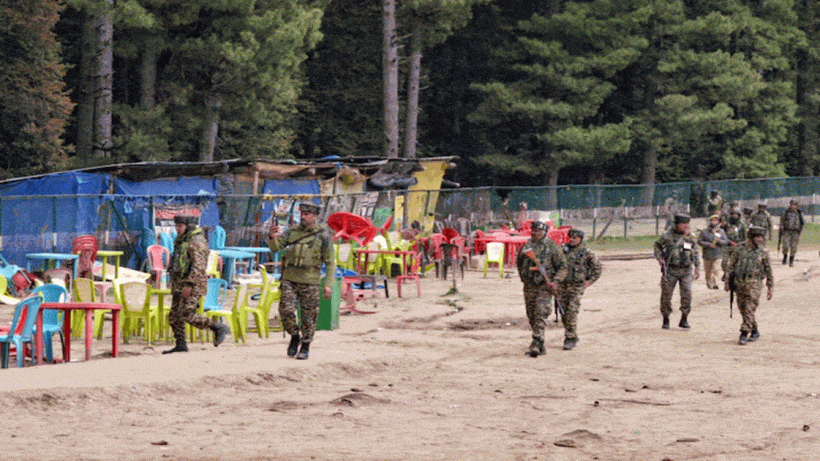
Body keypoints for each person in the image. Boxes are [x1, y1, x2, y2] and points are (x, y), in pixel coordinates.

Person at [267, 202, 334, 360]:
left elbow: (330, 262)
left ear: (315, 216)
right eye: (302, 213)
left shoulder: (323, 235)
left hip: (310, 280)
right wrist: (272, 237)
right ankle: (294, 335)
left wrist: (328, 284)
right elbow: (276, 248)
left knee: (309, 315)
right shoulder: (293, 232)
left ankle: (305, 344)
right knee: (286, 310)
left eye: (307, 214)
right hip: (290, 278)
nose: (303, 217)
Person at [163, 214, 231, 354]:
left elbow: (198, 266)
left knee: (187, 313)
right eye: (176, 226)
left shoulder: (196, 241)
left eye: (180, 226)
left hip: (193, 284)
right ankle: (181, 344)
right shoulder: (182, 240)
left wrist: (189, 284)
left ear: (188, 226)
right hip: (179, 283)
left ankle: (216, 327)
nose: (177, 229)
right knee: (174, 316)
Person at [516, 220, 567, 357]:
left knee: (541, 312)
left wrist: (555, 281)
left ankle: (536, 342)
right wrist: (524, 277)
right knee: (531, 314)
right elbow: (520, 262)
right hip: (529, 285)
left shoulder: (552, 246)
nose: (534, 233)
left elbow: (562, 266)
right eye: (532, 230)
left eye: (537, 231)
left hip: (545, 286)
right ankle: (541, 343)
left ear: (544, 232)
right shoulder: (527, 246)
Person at [724, 226, 773, 345]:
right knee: (743, 309)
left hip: (754, 284)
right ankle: (755, 330)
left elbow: (768, 270)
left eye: (762, 237)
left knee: (749, 308)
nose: (761, 240)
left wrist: (770, 287)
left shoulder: (763, 252)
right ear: (751, 237)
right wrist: (727, 282)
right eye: (758, 237)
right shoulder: (739, 249)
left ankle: (744, 333)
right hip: (739, 283)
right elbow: (731, 266)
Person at [556, 229, 601, 350]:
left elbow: (597, 268)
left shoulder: (586, 252)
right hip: (562, 285)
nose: (571, 239)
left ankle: (570, 337)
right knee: (563, 312)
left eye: (575, 238)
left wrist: (590, 281)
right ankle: (572, 334)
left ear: (580, 239)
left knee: (571, 310)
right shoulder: (561, 250)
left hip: (576, 286)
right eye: (570, 237)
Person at [654, 214, 700, 329]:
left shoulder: (690, 236)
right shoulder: (668, 235)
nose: (685, 226)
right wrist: (660, 259)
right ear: (676, 224)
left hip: (686, 271)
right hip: (671, 270)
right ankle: (666, 319)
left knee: (687, 295)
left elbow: (695, 252)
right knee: (666, 295)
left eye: (687, 224)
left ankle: (684, 318)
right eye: (683, 224)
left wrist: (697, 267)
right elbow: (657, 245)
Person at [697, 215, 729, 289]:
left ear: (718, 222)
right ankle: (709, 284)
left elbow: (726, 241)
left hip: (718, 254)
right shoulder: (704, 231)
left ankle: (714, 284)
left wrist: (719, 241)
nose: (713, 222)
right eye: (712, 220)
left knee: (715, 269)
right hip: (707, 255)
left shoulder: (721, 231)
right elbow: (699, 241)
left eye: (715, 220)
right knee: (708, 271)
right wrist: (708, 244)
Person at [720, 209, 747, 282]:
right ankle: (726, 273)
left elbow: (745, 238)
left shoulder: (742, 225)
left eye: (736, 214)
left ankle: (734, 275)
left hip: (738, 246)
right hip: (727, 245)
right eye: (733, 214)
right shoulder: (727, 224)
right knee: (724, 262)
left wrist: (742, 245)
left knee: (736, 263)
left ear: (738, 215)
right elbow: (721, 234)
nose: (734, 216)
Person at [779, 199, 804, 267]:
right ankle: (785, 257)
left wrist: (799, 231)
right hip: (787, 231)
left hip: (795, 232)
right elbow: (782, 221)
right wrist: (782, 229)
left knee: (793, 247)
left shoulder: (799, 213)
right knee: (785, 245)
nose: (793, 206)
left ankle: (791, 260)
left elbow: (802, 223)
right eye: (792, 205)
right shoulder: (786, 212)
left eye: (795, 205)